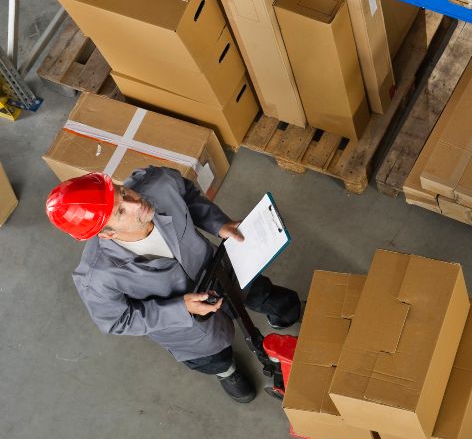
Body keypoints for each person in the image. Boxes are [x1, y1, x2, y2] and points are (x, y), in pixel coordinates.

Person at [45, 167, 301, 403]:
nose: (137, 203)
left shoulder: (158, 184)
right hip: (185, 324)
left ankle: (285, 312)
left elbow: (186, 194)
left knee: (259, 292)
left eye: (123, 192)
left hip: (221, 271)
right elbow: (117, 321)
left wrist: (217, 222)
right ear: (106, 233)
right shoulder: (96, 277)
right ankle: (226, 370)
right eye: (120, 212)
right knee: (210, 354)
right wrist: (181, 309)